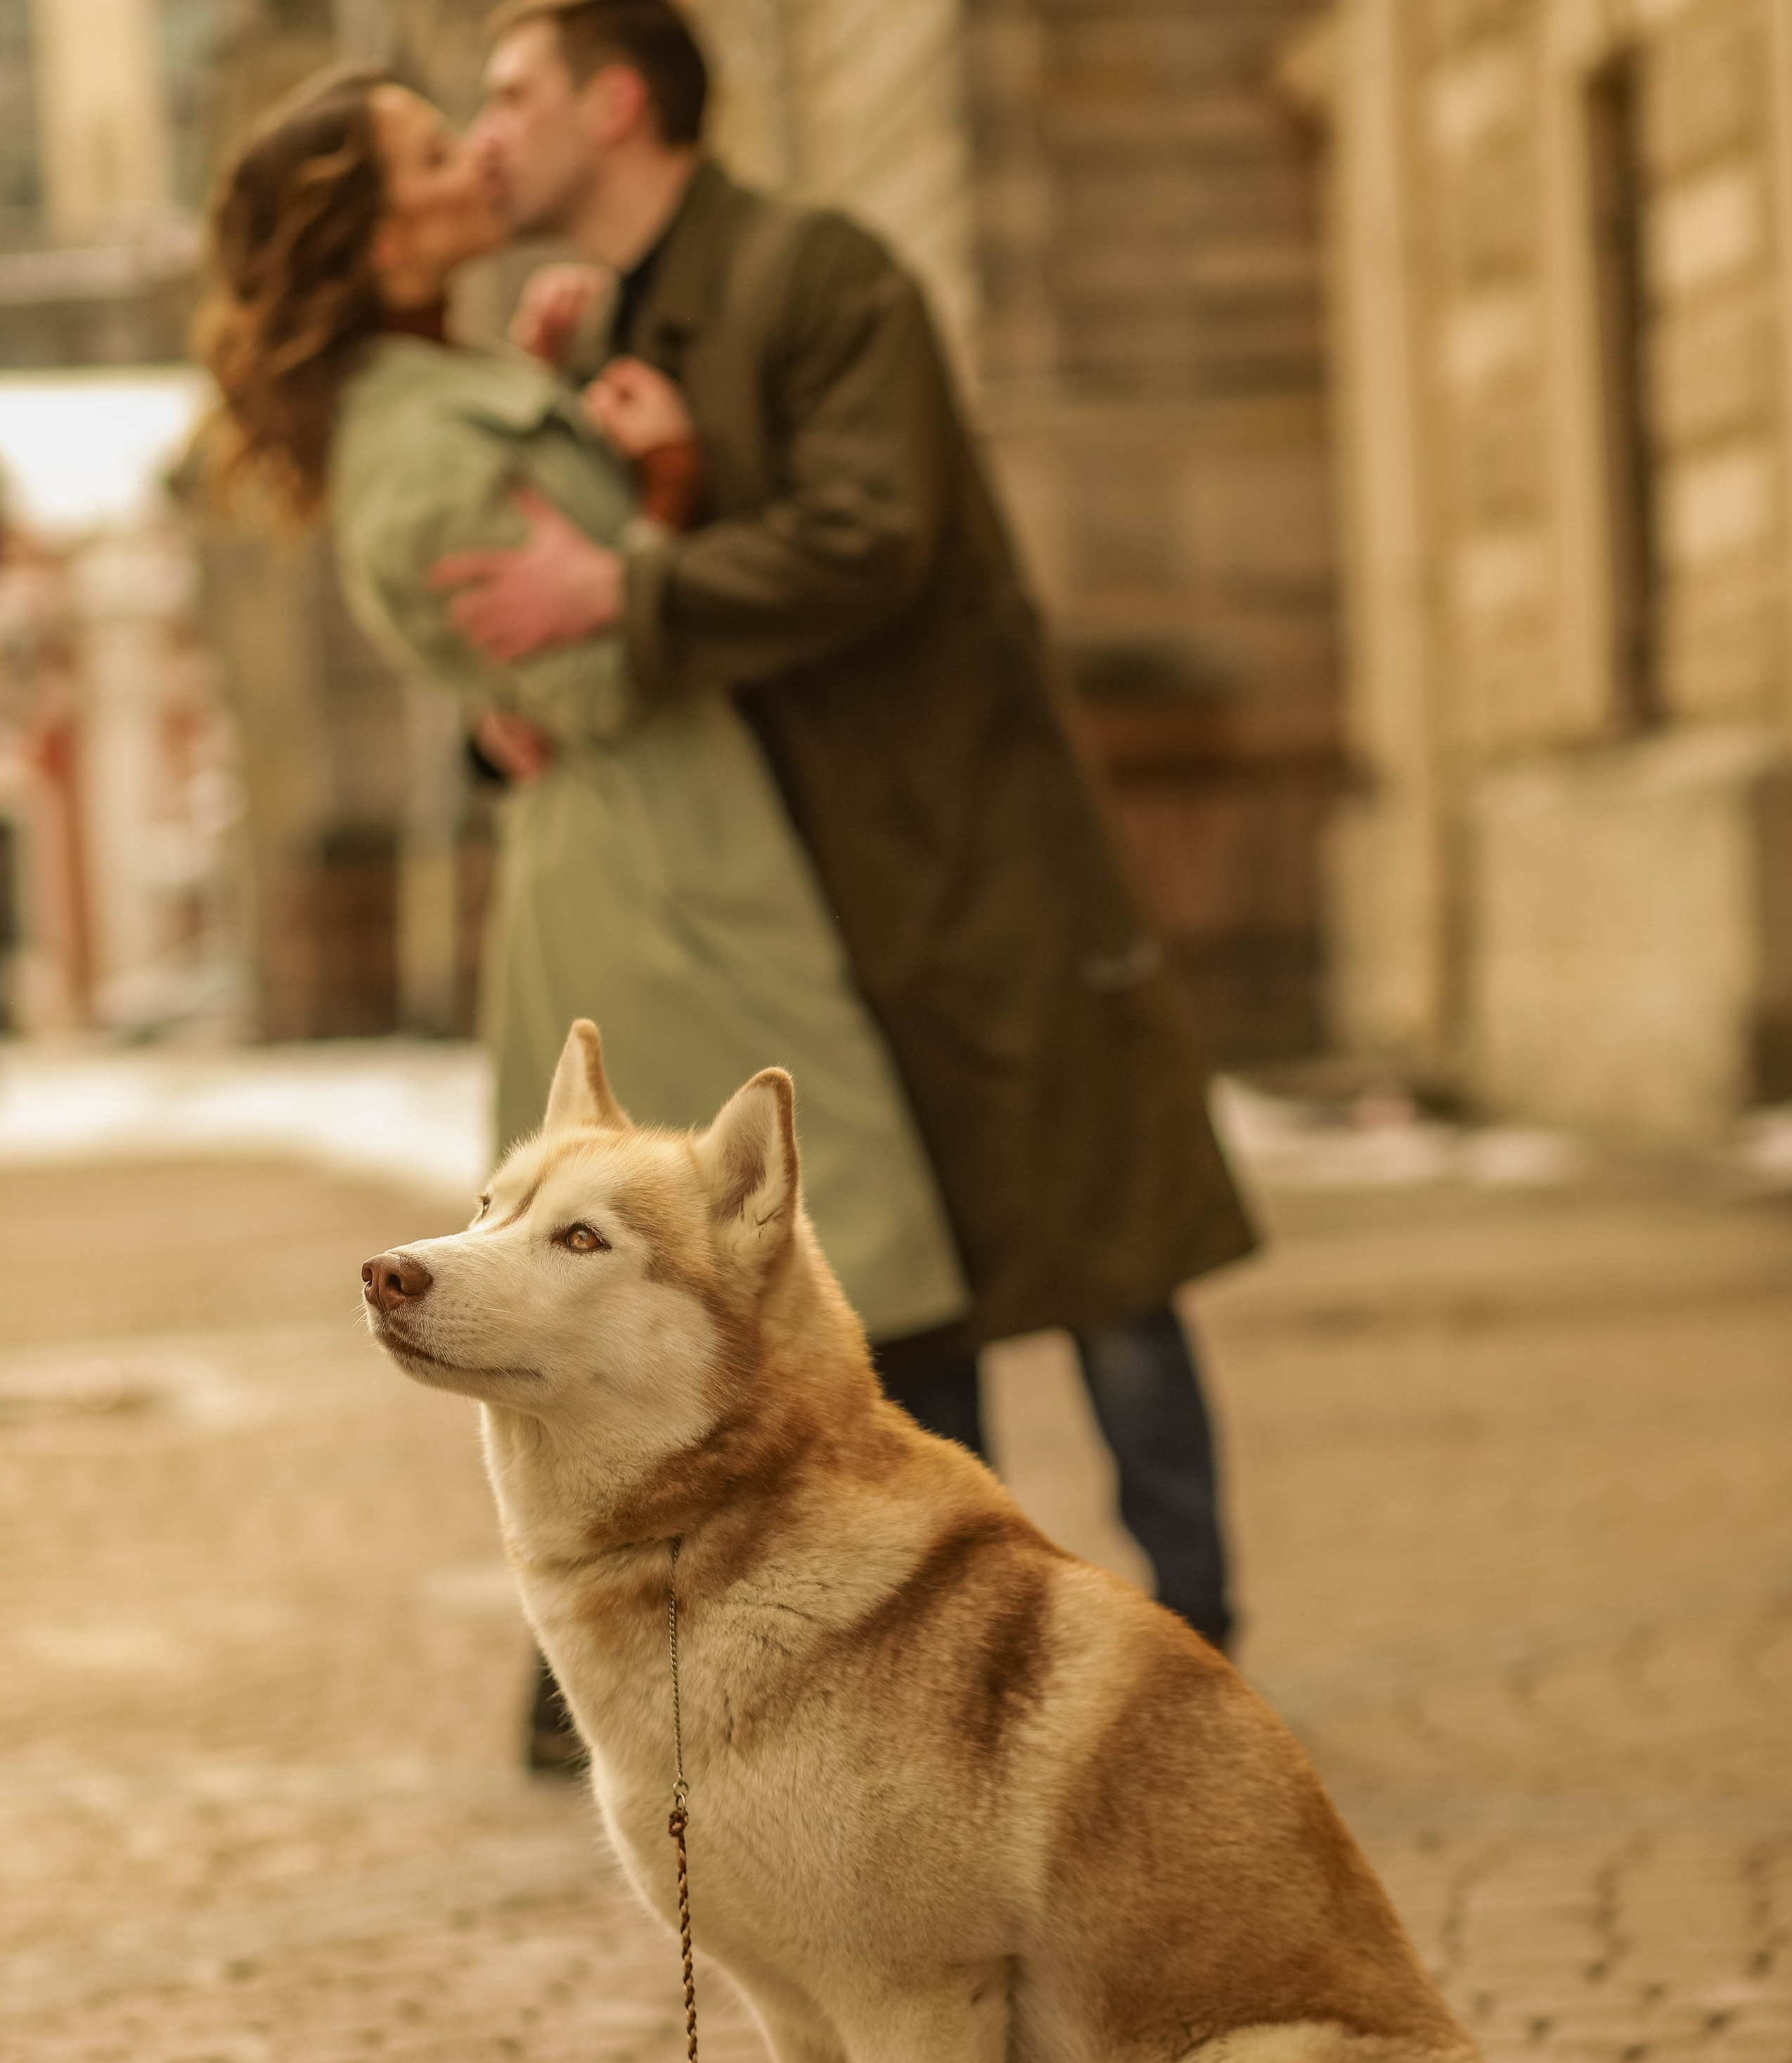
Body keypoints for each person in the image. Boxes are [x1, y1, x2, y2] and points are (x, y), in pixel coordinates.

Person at [441, 0, 1258, 1654]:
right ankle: (951, 1642)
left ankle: (1202, 1639)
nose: (485, 131)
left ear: (613, 106)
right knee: (886, 1274)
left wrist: (627, 578)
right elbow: (551, 608)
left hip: (958, 848)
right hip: (779, 888)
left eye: (512, 92)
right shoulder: (592, 323)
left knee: (1100, 1254)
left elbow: (874, 534)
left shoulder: (819, 276)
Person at [199, 65, 972, 1761]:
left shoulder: (460, 386)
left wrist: (570, 421)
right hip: (654, 867)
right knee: (771, 1262)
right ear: (370, 226)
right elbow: (582, 660)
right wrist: (667, 497)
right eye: (426, 149)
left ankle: (719, 1663)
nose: (473, 154)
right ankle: (674, 1678)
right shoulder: (413, 432)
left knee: (767, 1272)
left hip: (673, 833)